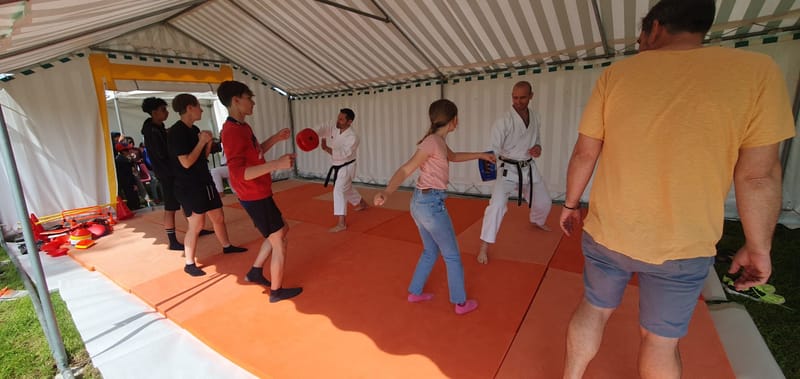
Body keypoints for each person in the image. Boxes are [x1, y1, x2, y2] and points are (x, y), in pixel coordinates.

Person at [558, 1, 796, 378]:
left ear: (654, 28)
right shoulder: (756, 72)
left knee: (594, 308)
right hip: (684, 245)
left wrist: (571, 204)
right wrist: (758, 247)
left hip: (610, 234)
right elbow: (758, 176)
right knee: (660, 341)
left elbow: (585, 153)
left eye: (640, 38)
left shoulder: (617, 75)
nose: (640, 46)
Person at [374, 99, 494, 315]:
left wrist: (480, 155)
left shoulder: (438, 141)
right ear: (453, 120)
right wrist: (387, 192)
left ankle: (415, 292)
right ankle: (460, 303)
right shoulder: (431, 142)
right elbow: (406, 169)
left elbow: (454, 157)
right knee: (452, 255)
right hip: (430, 205)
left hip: (421, 204)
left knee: (431, 250)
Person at [217, 80, 303, 303]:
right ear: (236, 100)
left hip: (260, 191)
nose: (253, 102)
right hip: (253, 194)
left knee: (281, 230)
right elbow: (238, 173)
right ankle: (276, 291)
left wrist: (275, 138)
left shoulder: (243, 127)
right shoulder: (231, 132)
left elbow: (256, 153)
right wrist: (276, 165)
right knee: (279, 241)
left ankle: (256, 271)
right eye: (249, 98)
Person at [167, 94, 247, 277]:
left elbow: (200, 158)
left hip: (204, 181)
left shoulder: (193, 129)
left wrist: (208, 144)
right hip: (189, 186)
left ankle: (227, 246)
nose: (201, 110)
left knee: (218, 216)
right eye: (198, 106)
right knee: (196, 224)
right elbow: (186, 162)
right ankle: (189, 263)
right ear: (189, 108)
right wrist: (202, 142)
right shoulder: (176, 132)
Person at [477, 81, 552, 264]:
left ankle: (537, 220)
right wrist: (489, 165)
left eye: (522, 98)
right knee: (497, 206)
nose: (517, 102)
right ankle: (484, 246)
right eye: (515, 97)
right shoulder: (503, 121)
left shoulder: (536, 117)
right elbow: (492, 149)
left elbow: (538, 140)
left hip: (528, 167)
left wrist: (538, 148)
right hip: (508, 170)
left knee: (544, 202)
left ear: (531, 96)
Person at [317, 108, 368, 232]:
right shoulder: (335, 127)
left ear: (349, 122)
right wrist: (316, 135)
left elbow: (344, 154)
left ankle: (341, 223)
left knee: (339, 191)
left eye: (341, 119)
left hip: (346, 166)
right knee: (347, 188)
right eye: (338, 117)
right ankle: (362, 203)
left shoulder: (353, 137)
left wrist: (326, 148)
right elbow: (323, 129)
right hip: (338, 165)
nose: (337, 120)